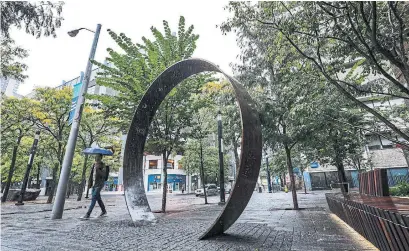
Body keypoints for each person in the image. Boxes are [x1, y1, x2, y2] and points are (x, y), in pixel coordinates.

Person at [82, 154, 107, 219]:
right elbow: (91, 175)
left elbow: (104, 175)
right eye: (95, 157)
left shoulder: (103, 165)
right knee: (98, 199)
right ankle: (104, 211)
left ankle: (88, 214)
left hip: (99, 185)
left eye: (98, 157)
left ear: (101, 157)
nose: (96, 158)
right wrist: (89, 184)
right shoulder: (93, 165)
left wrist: (98, 169)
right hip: (94, 184)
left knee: (94, 198)